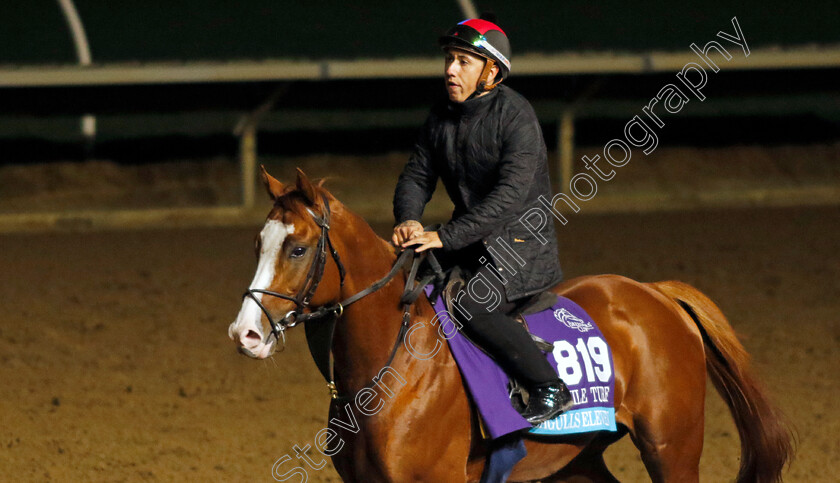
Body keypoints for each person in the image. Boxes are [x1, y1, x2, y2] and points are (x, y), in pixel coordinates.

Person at [392, 17, 573, 425]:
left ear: (491, 71)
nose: (451, 70)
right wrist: (408, 219)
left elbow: (509, 198)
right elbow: (417, 175)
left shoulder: (516, 116)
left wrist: (445, 236)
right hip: (473, 241)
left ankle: (549, 387)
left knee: (473, 303)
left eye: (463, 61)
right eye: (449, 59)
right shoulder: (440, 116)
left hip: (522, 247)